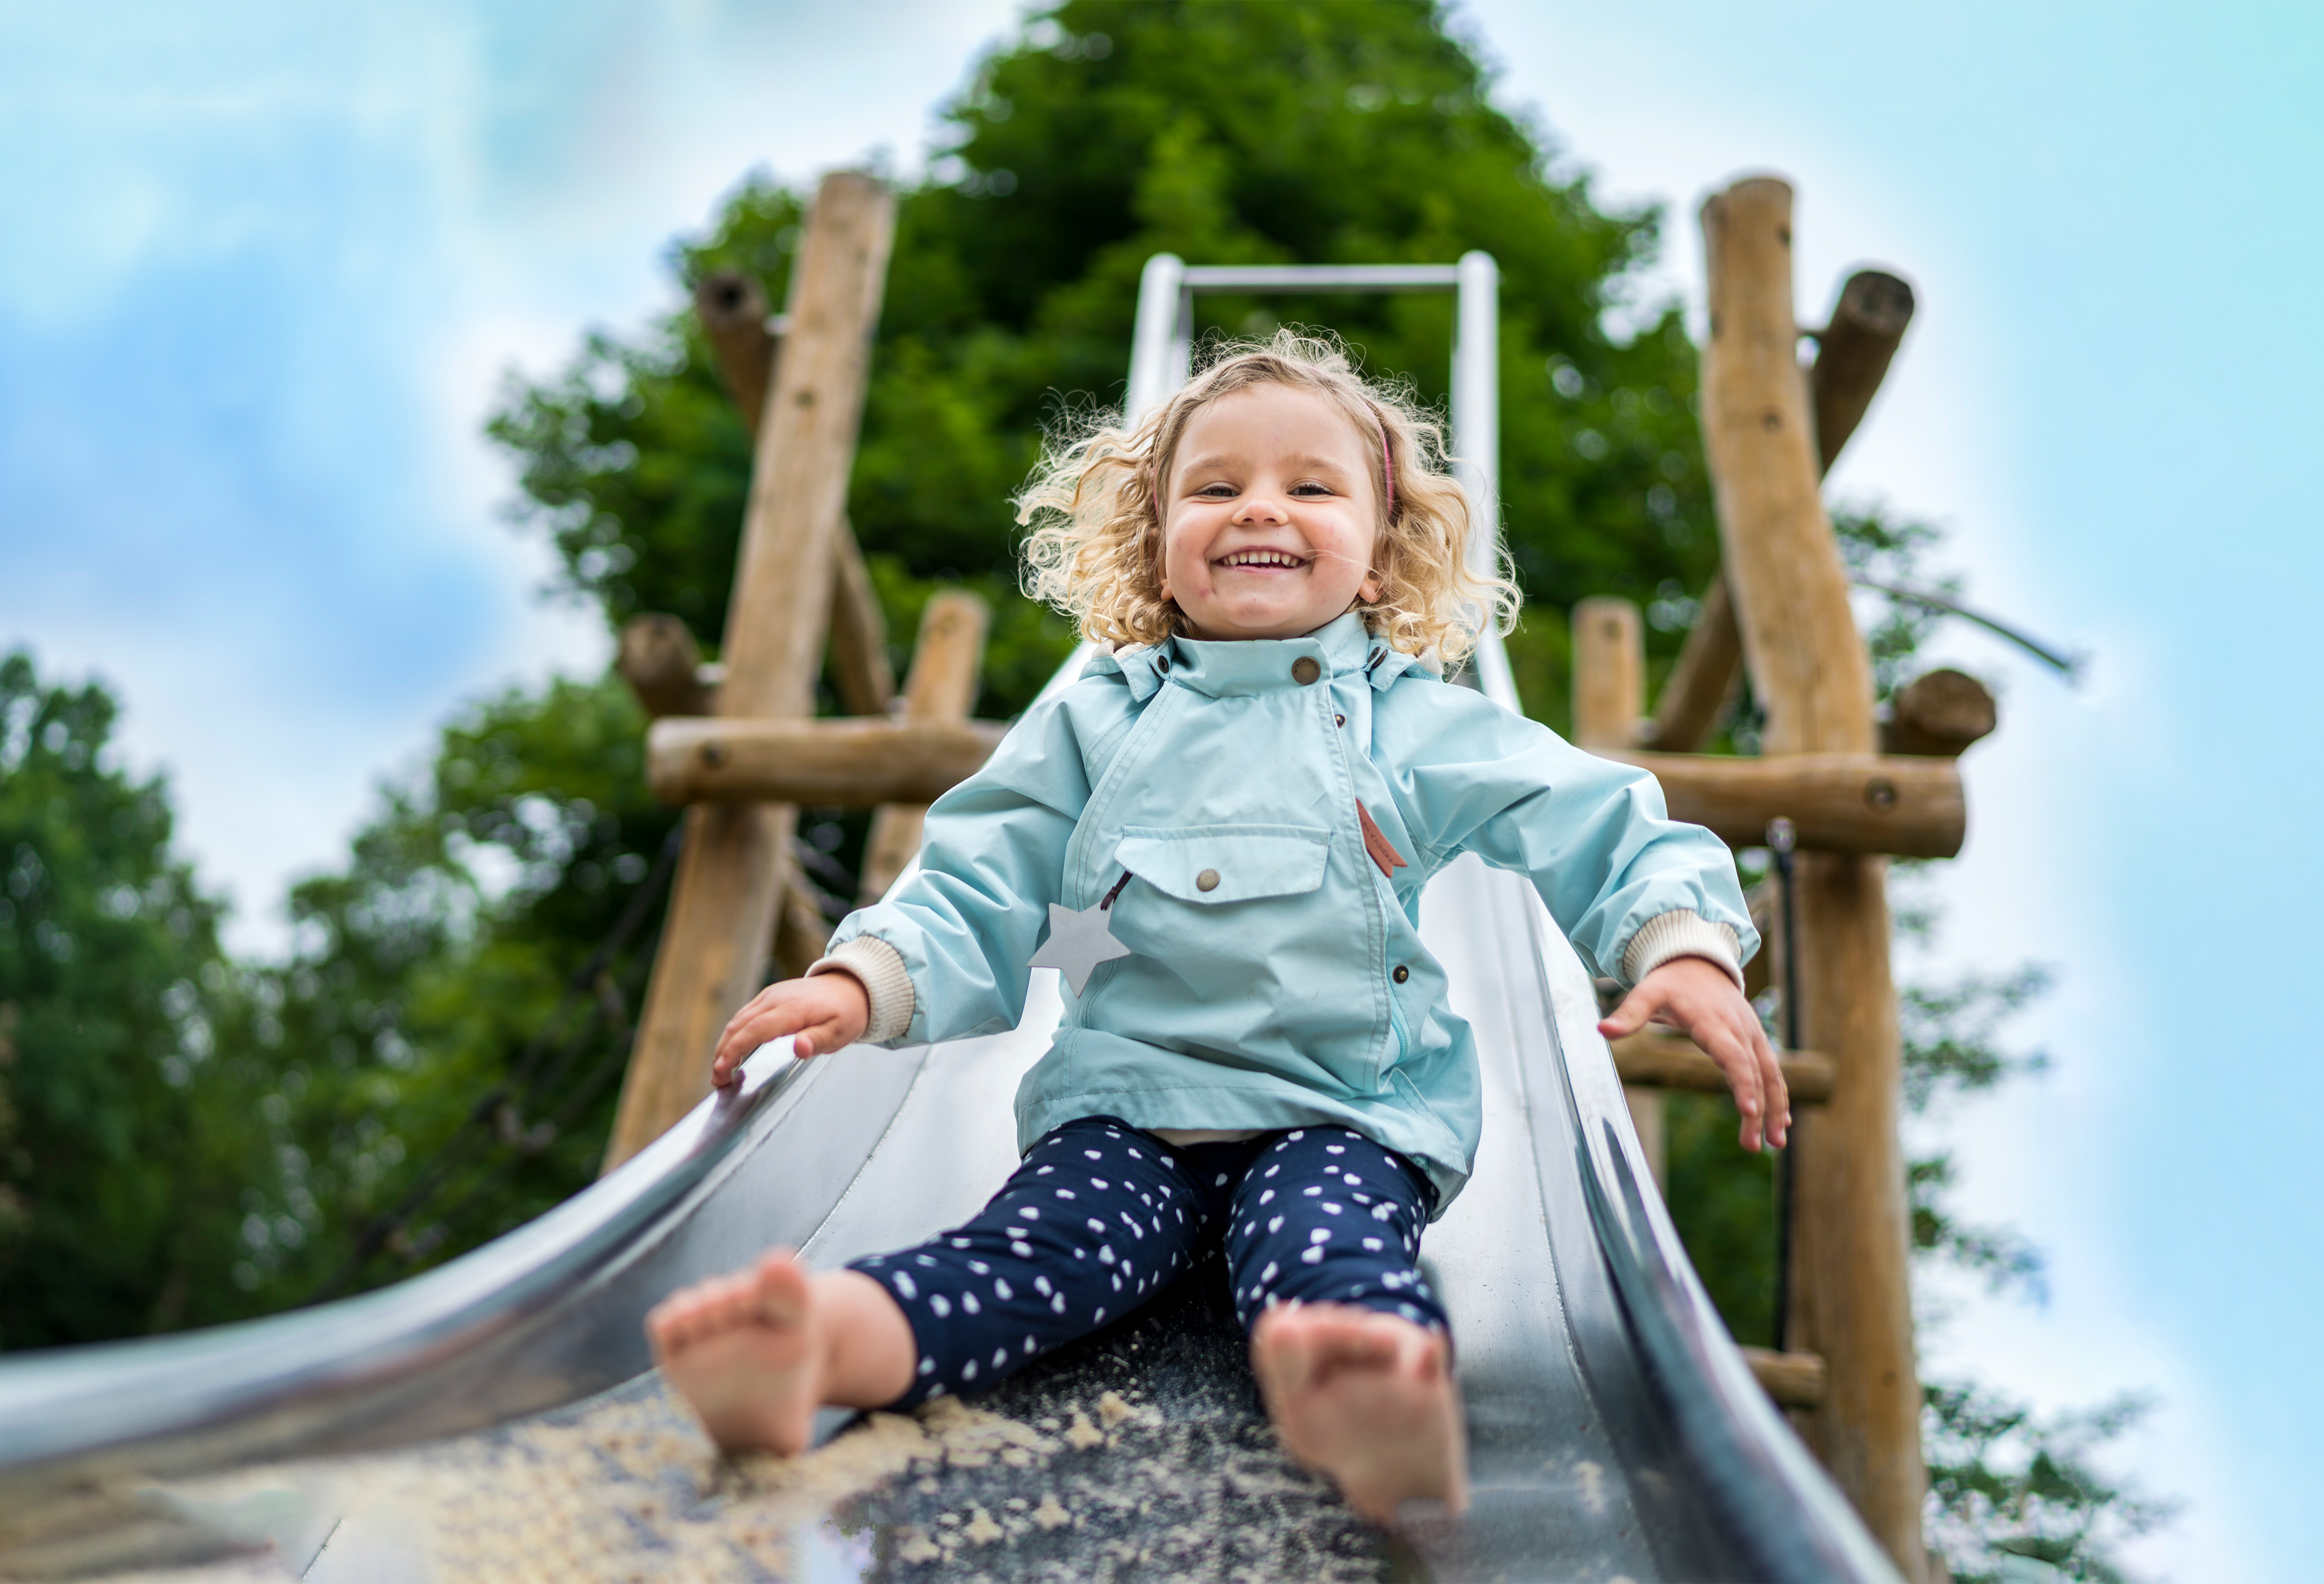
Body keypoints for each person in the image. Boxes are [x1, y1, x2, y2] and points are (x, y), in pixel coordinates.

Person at [644, 330, 1785, 1523]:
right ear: (1155, 543)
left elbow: (1594, 815)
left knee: (1329, 1250)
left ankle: (1362, 1389)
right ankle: (829, 1343)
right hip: (1134, 1108)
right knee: (1038, 1248)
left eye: (1310, 486)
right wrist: (865, 978)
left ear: (1383, 556)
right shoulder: (1095, 725)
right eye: (1217, 485)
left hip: (1343, 1111)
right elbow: (978, 872)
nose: (1262, 509)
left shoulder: (1415, 726)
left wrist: (1682, 943)